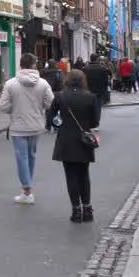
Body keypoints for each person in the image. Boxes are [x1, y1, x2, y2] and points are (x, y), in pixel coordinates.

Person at [0, 53, 55, 205]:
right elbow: (50, 102)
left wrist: (15, 109)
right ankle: (27, 189)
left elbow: (3, 106)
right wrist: (39, 109)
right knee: (31, 155)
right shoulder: (43, 83)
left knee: (21, 157)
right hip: (36, 125)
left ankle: (27, 190)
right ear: (34, 65)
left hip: (18, 126)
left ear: (21, 65)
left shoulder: (11, 83)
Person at [49, 69, 101, 222]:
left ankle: (76, 210)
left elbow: (51, 119)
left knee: (70, 175)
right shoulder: (90, 97)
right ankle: (87, 209)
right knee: (84, 174)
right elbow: (95, 122)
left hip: (66, 139)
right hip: (84, 140)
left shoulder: (60, 96)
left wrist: (61, 123)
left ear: (68, 80)